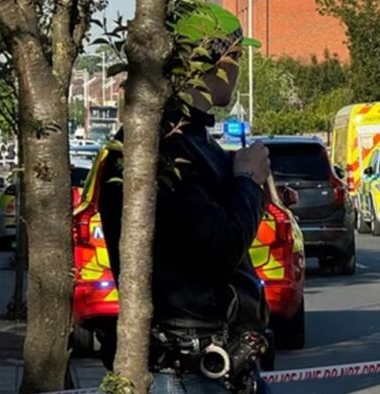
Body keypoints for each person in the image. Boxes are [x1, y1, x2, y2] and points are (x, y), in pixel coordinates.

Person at [97, 3, 271, 393]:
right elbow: (220, 243)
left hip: (215, 357)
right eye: (236, 56)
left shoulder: (187, 141)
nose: (239, 69)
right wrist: (246, 180)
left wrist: (247, 188)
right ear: (214, 59)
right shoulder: (163, 148)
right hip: (190, 365)